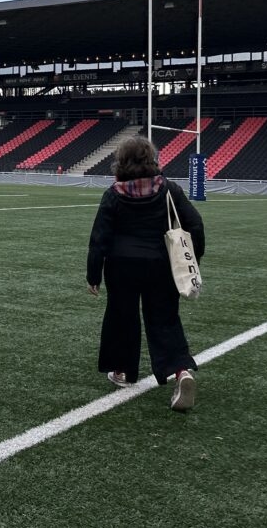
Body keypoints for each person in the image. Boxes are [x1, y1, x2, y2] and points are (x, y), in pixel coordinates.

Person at [86, 135, 205, 411]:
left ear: (122, 162)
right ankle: (181, 371)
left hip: (121, 266)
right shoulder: (168, 190)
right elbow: (195, 224)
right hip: (160, 265)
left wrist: (94, 275)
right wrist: (194, 257)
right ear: (151, 159)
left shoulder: (114, 194)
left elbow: (99, 238)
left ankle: (123, 372)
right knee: (164, 319)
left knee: (122, 318)